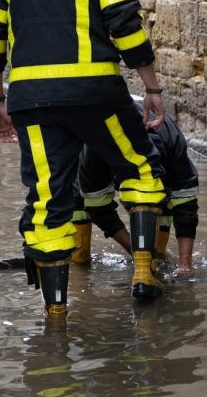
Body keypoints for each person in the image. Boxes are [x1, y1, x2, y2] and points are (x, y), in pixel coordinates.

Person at [0, 0, 169, 321]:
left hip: (32, 99)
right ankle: (143, 272)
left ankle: (56, 317)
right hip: (95, 93)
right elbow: (125, 23)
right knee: (139, 168)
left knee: (47, 197)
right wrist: (152, 88)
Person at [72, 98, 199, 273]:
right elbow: (97, 207)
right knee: (77, 200)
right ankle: (79, 262)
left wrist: (185, 266)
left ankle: (157, 255)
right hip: (96, 134)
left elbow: (186, 203)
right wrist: (136, 252)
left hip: (149, 136)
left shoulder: (171, 141)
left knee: (166, 202)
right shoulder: (92, 150)